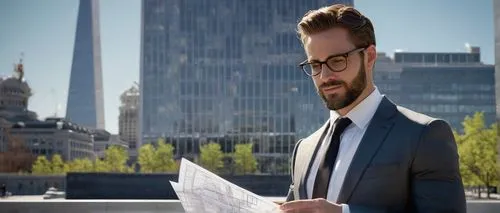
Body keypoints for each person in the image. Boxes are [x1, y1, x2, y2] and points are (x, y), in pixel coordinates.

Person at [280, 4, 466, 213]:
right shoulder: (303, 149)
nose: (324, 76)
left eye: (337, 61)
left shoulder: (424, 135)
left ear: (369, 57)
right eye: (315, 65)